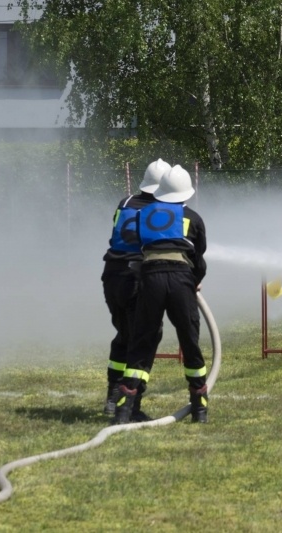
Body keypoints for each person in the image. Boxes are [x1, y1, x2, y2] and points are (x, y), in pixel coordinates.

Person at [114, 164, 209, 424]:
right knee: (189, 341)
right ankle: (199, 408)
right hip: (181, 281)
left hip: (150, 280)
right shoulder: (193, 218)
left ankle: (124, 409)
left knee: (142, 342)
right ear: (186, 192)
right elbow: (199, 260)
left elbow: (134, 249)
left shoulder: (142, 215)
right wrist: (194, 281)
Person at [101, 158, 170, 420]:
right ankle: (130, 402)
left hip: (112, 276)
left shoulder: (125, 202)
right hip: (136, 279)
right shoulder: (160, 210)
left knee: (125, 334)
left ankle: (113, 394)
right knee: (146, 338)